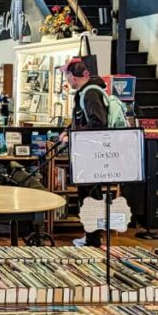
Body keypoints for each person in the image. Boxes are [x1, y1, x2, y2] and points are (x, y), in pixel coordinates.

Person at [61, 57, 109, 248]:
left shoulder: (89, 94)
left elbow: (98, 123)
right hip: (89, 153)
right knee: (89, 196)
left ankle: (93, 240)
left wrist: (72, 135)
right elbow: (82, 119)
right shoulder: (86, 92)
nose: (67, 80)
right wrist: (67, 130)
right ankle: (90, 237)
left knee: (90, 197)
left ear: (72, 75)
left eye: (67, 76)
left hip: (92, 154)